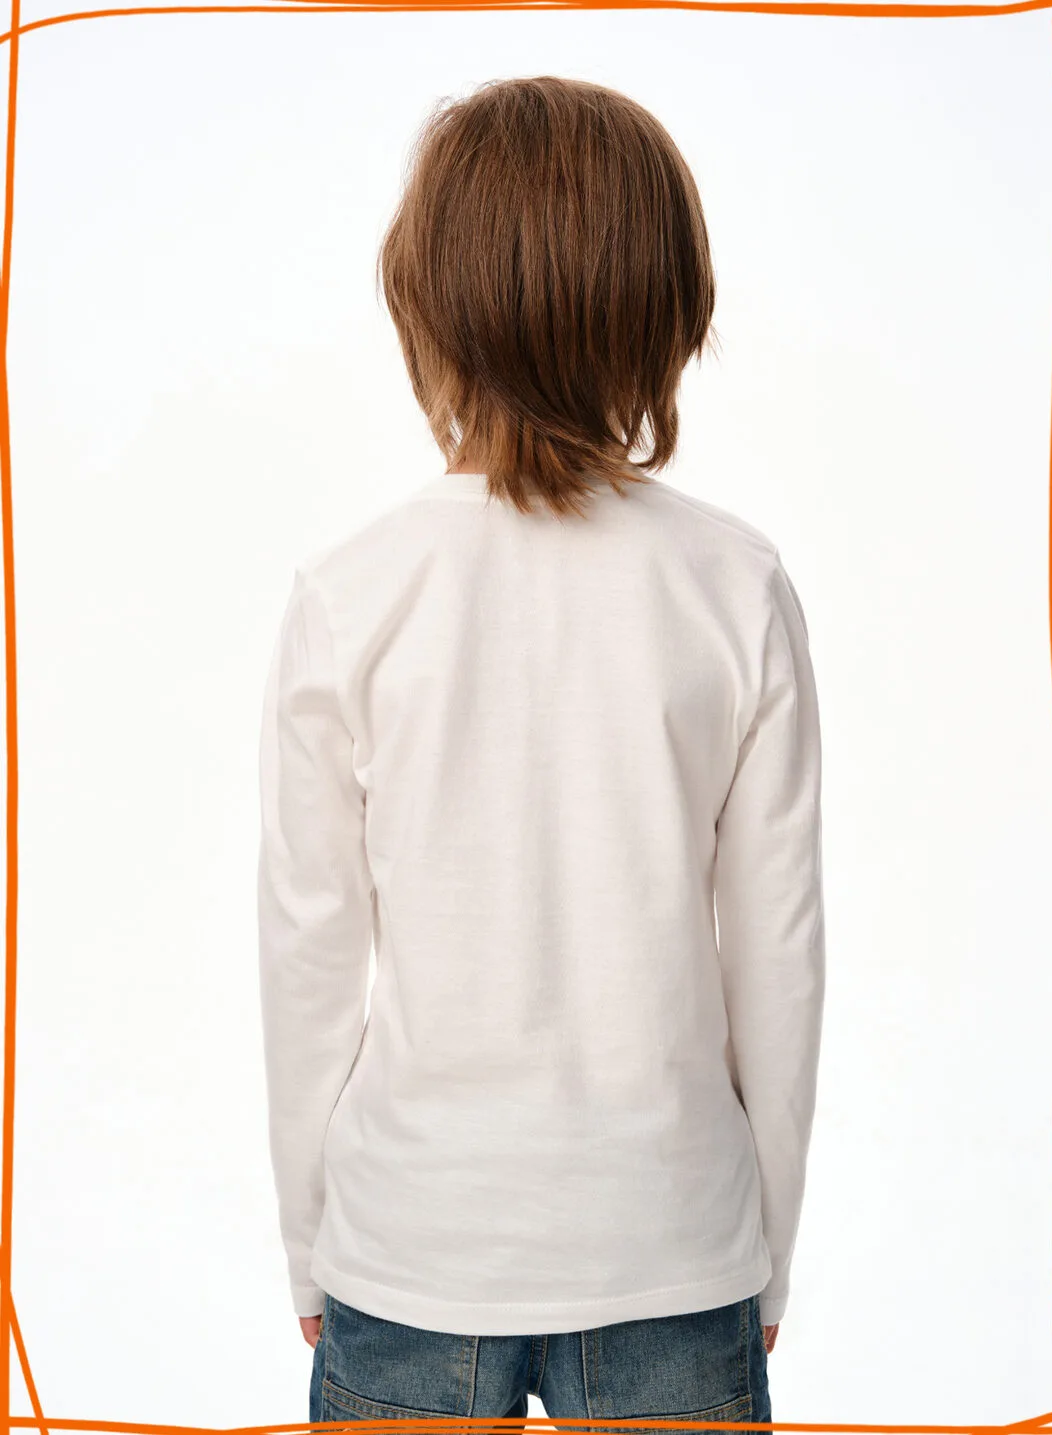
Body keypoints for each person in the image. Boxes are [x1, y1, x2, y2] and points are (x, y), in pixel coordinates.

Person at [257, 74, 826, 1433]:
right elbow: (780, 956)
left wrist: (310, 1238)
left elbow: (307, 953)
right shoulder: (733, 585)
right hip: (673, 1239)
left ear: (428, 306)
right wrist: (764, 1243)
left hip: (412, 1240)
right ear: (667, 308)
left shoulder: (354, 592)